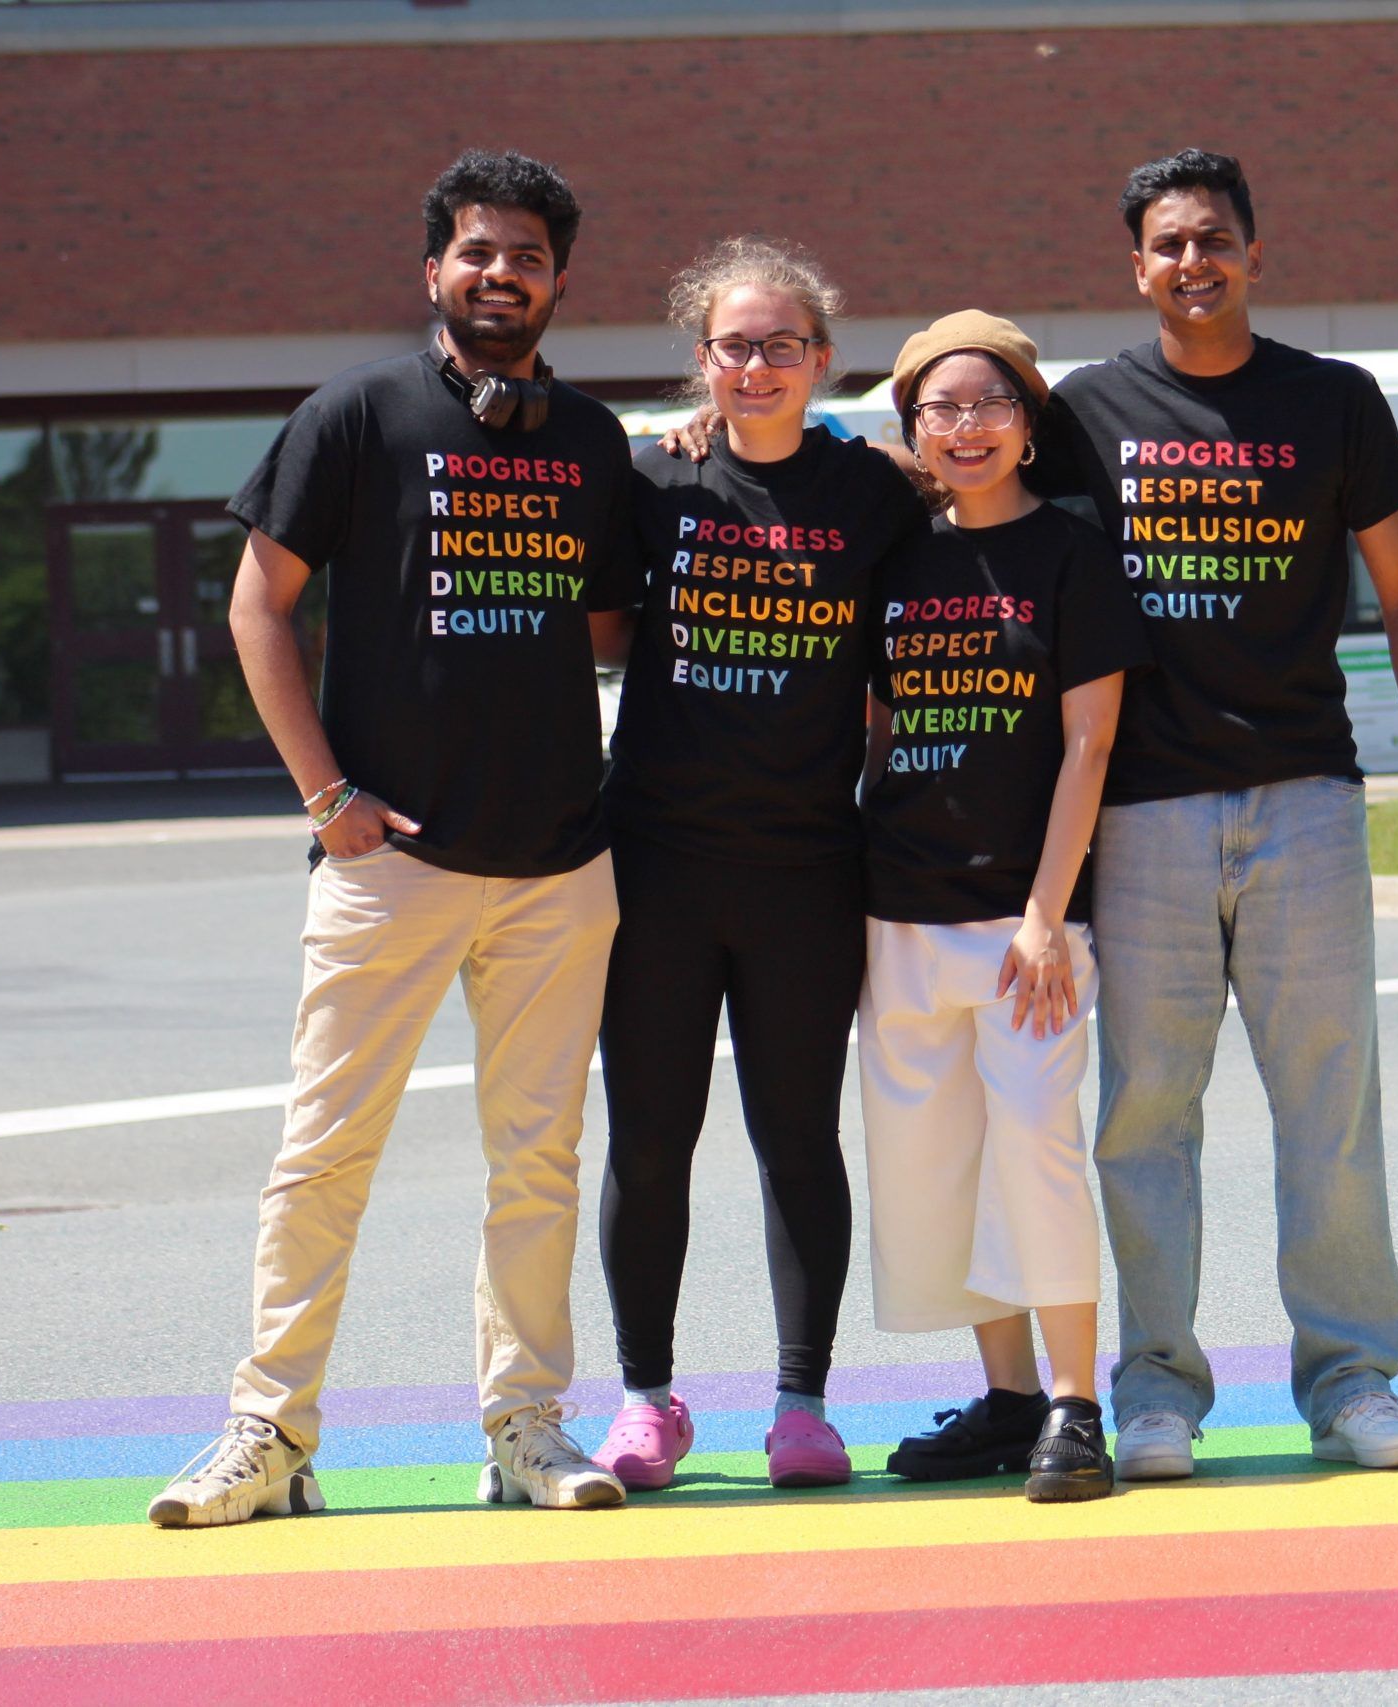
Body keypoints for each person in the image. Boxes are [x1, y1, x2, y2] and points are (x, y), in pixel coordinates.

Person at [148, 149, 643, 1525]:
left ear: (558, 281)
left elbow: (606, 622)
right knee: (322, 1153)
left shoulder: (590, 441)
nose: (503, 274)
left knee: (538, 1162)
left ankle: (526, 1423)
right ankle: (269, 1432)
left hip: (557, 863)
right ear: (435, 272)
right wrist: (326, 797)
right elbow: (260, 606)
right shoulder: (355, 416)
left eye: (529, 256)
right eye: (478, 252)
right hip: (390, 866)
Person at [1039, 149, 1398, 1479]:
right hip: (1146, 812)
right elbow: (958, 483)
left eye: (1214, 239)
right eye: (1167, 244)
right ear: (1137, 266)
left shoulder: (1331, 401)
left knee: (1327, 1106)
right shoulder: (1084, 409)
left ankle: (1352, 1382)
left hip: (1306, 797)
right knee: (1143, 1116)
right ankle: (1157, 1390)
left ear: (1255, 254)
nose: (1193, 262)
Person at [592, 238, 929, 1490]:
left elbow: (977, 489)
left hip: (804, 872)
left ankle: (800, 1403)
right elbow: (604, 628)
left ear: (822, 360)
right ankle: (646, 1401)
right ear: (702, 362)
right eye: (735, 344)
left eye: (784, 343)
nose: (758, 364)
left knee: (797, 1141)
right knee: (650, 1141)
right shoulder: (651, 483)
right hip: (659, 867)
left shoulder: (874, 493)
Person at [858, 314, 1150, 1503]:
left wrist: (1045, 915)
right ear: (914, 430)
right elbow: (876, 731)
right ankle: (1009, 1398)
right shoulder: (898, 558)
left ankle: (1079, 1406)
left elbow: (1090, 747)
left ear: (1028, 423)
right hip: (899, 912)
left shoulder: (1072, 558)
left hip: (1023, 921)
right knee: (938, 1165)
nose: (966, 428)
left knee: (1037, 1148)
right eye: (941, 409)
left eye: (989, 405)